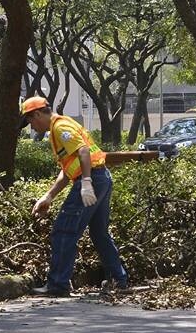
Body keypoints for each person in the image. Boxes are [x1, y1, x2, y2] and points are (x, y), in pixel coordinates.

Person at [21, 96, 128, 296]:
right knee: (99, 233)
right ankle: (119, 281)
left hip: (92, 180)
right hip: (101, 178)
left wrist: (86, 183)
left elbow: (83, 151)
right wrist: (49, 196)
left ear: (37, 114)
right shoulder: (60, 127)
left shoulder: (60, 127)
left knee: (63, 230)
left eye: (30, 121)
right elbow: (69, 168)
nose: (31, 126)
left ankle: (57, 285)